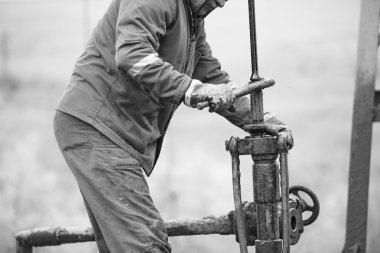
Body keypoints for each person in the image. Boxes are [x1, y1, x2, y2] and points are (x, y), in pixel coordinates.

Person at [53, 0, 293, 252]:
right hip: (97, 127)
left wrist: (264, 120)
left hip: (105, 130)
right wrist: (194, 90)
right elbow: (133, 55)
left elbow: (209, 75)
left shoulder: (192, 21)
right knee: (146, 244)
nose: (221, 3)